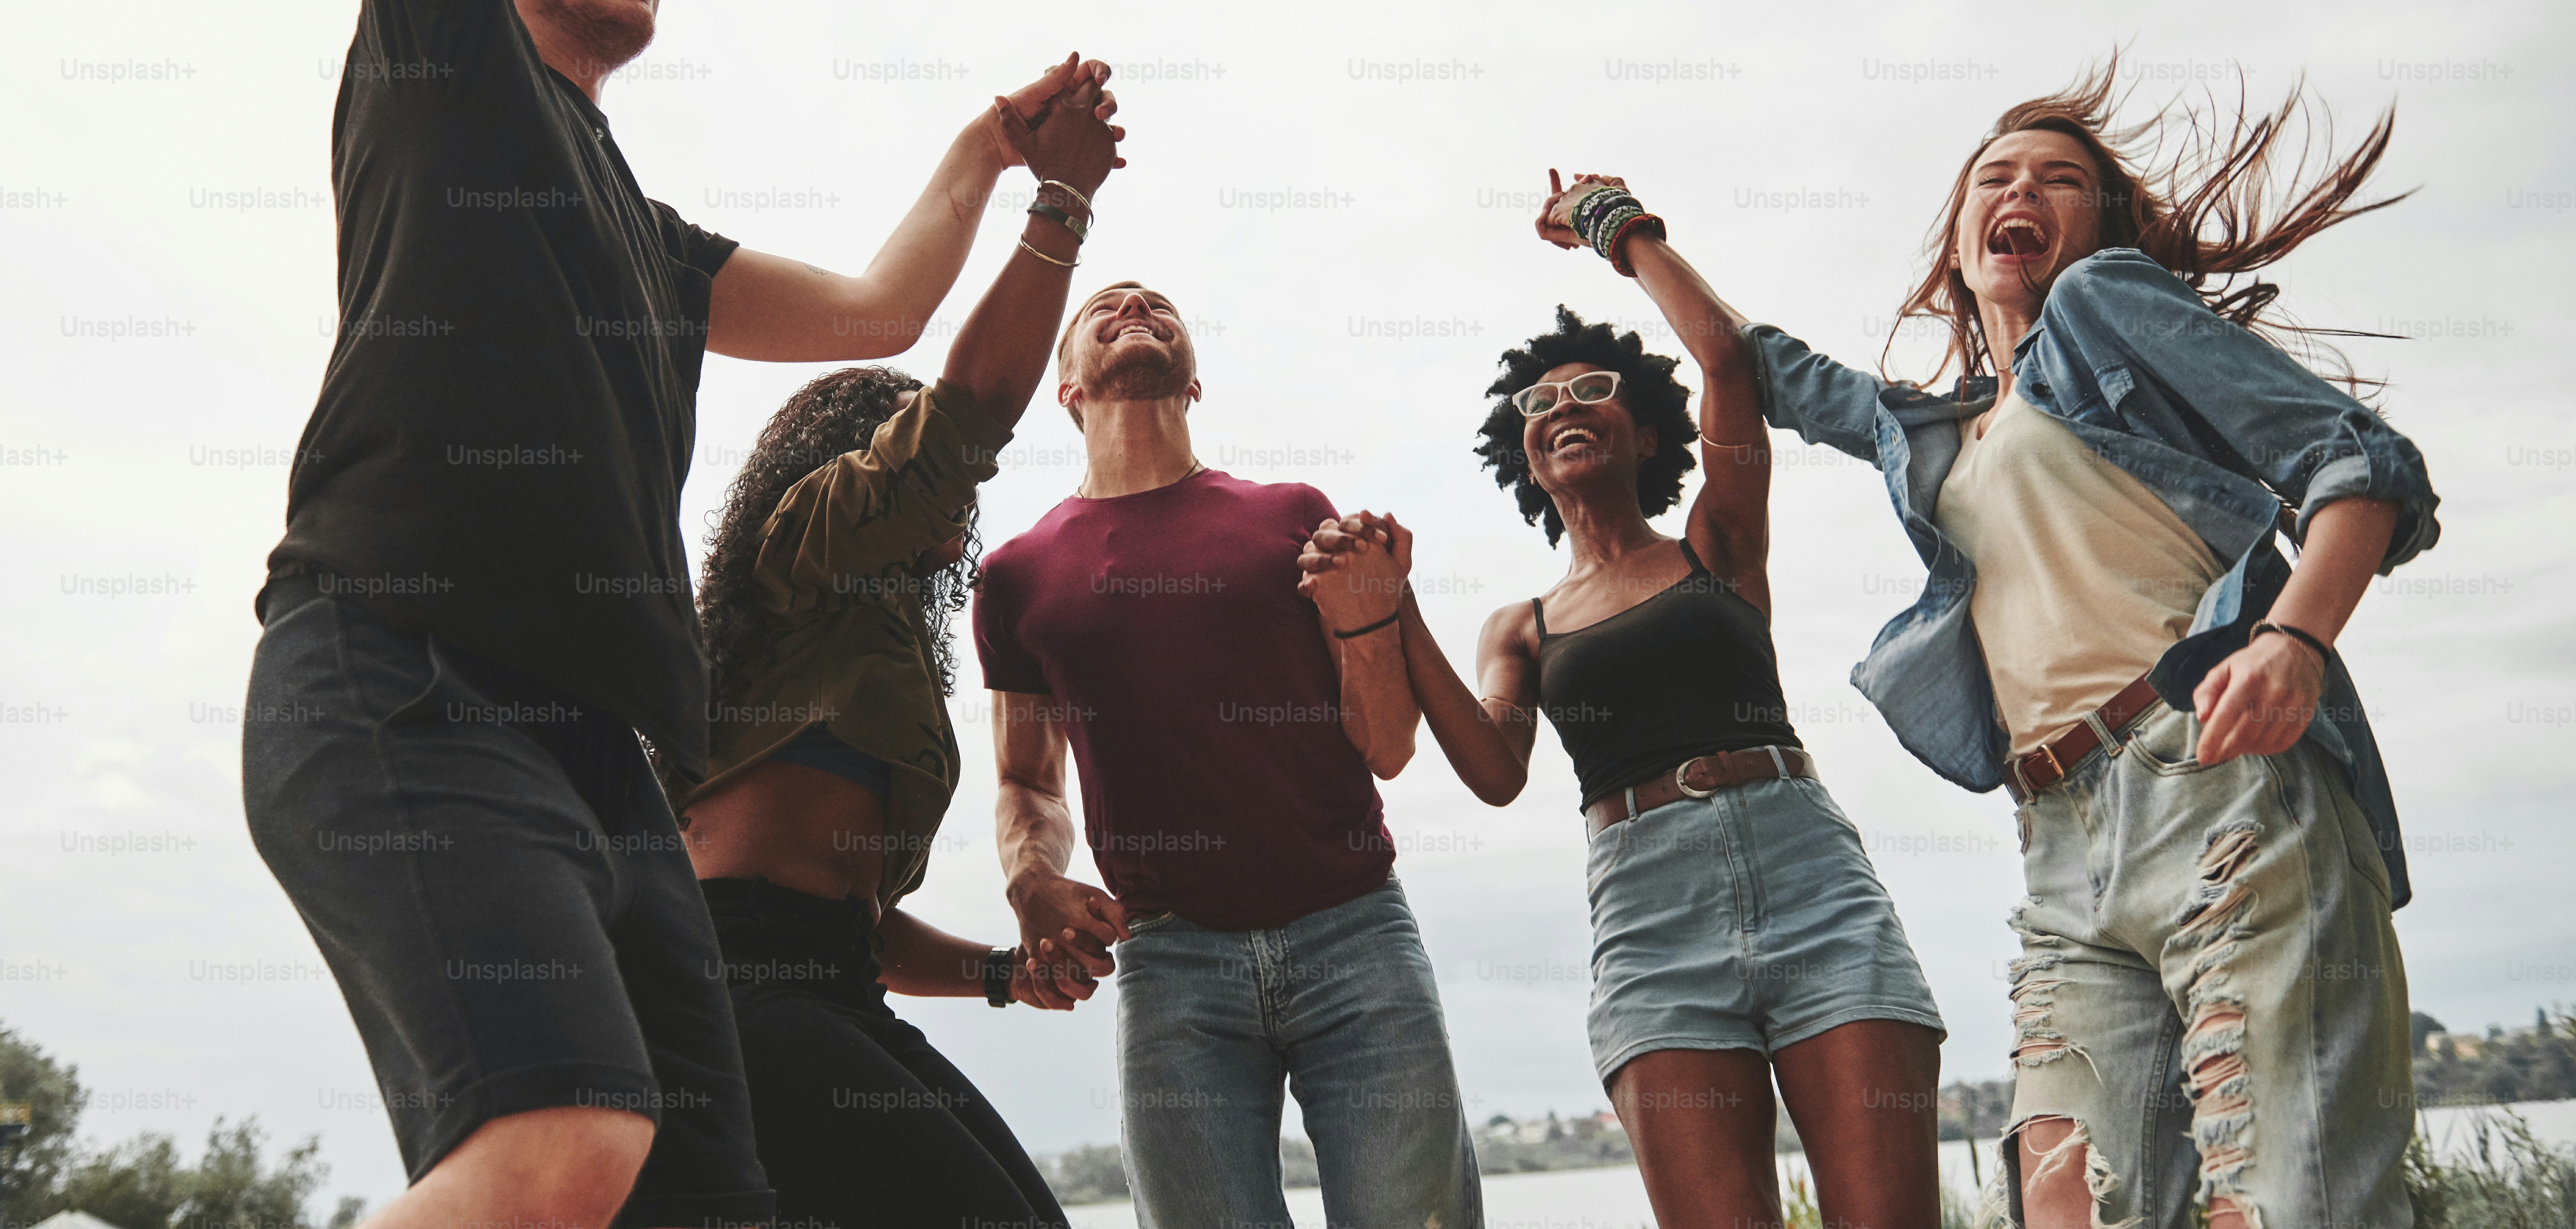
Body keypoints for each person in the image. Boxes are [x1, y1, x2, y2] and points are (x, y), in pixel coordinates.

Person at [240, 0, 1118, 1227]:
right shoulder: (443, 66)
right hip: (404, 682)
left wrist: (984, 153)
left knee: (698, 1203)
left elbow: (878, 307)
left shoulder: (653, 238)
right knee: (559, 1150)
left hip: (606, 762)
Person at [1725, 63, 2439, 1229]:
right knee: (2069, 1207)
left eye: (2062, 180)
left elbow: (2363, 461)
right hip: (2059, 846)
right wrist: (1621, 230)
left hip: (2217, 793)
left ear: (2097, 227)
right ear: (1958, 242)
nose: (2025, 189)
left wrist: (2294, 639)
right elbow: (1760, 366)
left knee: (2282, 1204)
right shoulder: (1934, 432)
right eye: (1995, 178)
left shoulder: (2106, 303)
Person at [1299, 184, 1947, 1229]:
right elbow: (1495, 774)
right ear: (1525, 459)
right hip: (1650, 922)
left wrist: (1620, 232)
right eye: (1538, 406)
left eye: (1591, 390)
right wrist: (1393, 605)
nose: (1560, 409)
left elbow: (1729, 360)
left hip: (1810, 878)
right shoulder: (1522, 627)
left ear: (1646, 432)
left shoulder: (1716, 546)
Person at [674, 70, 1122, 1229]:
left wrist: (995, 974)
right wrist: (1059, 202)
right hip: (724, 989)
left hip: (826, 985)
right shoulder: (801, 550)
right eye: (901, 451)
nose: (949, 495)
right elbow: (968, 414)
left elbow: (855, 926)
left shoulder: (887, 655)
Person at [972, 283, 1483, 1229]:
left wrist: (1372, 620)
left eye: (1158, 304)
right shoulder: (1014, 576)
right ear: (1067, 390)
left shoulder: (1293, 514)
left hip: (1356, 939)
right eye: (1103, 307)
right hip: (1172, 970)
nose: (1132, 304)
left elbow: (1389, 744)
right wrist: (1027, 878)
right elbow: (1022, 779)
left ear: (1195, 381)